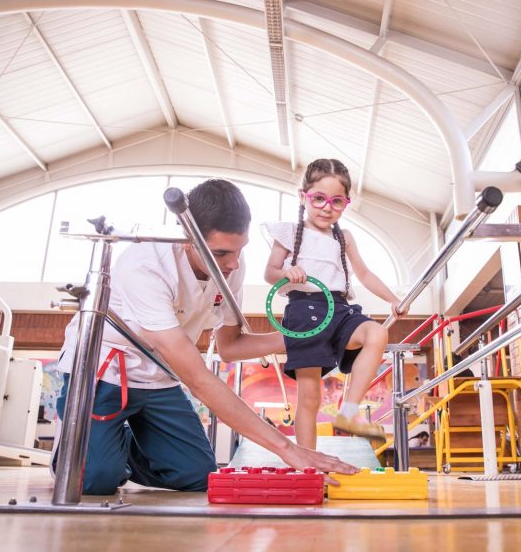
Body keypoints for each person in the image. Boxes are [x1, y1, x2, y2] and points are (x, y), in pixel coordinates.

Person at [54, 179, 355, 495]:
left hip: (159, 377)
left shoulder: (231, 265)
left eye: (240, 249)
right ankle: (87, 452)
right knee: (95, 480)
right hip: (106, 372)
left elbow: (231, 347)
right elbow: (198, 379)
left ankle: (107, 446)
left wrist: (309, 338)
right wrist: (287, 448)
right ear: (187, 239)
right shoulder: (145, 266)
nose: (234, 263)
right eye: (221, 252)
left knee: (196, 475)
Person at [263, 158, 407, 449]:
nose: (326, 207)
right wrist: (286, 273)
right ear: (303, 197)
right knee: (310, 396)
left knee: (376, 333)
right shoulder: (288, 232)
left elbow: (364, 274)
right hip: (304, 310)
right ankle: (308, 463)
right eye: (318, 199)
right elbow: (269, 273)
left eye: (336, 201)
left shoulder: (345, 237)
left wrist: (393, 299)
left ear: (346, 204)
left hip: (339, 309)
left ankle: (349, 412)